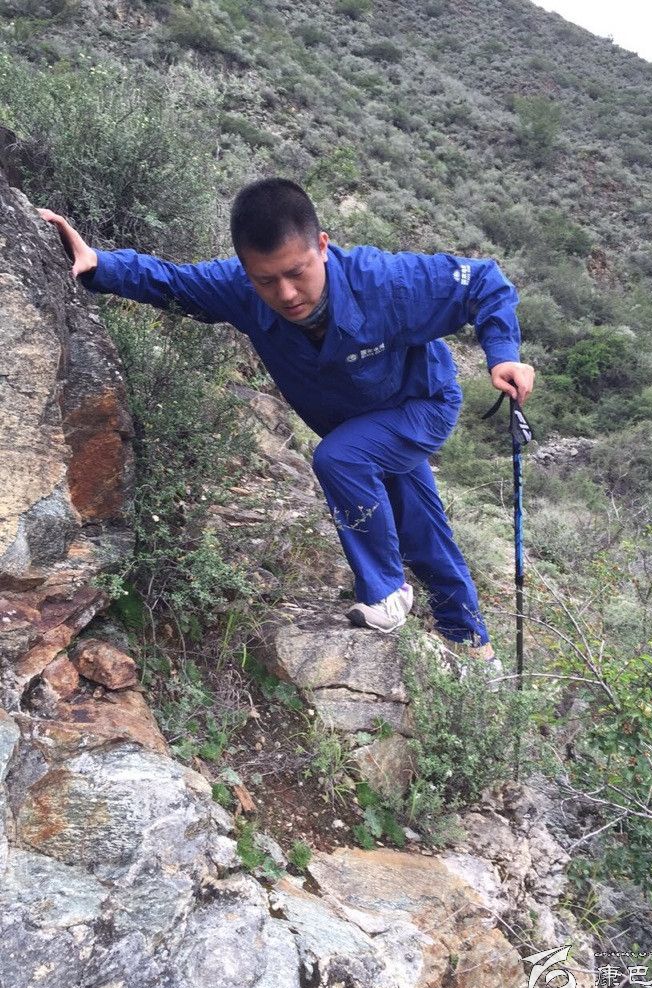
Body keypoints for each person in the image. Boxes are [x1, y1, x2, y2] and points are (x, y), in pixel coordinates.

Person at [38, 178, 534, 661]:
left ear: (323, 246)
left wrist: (503, 355)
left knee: (341, 459)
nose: (287, 293)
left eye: (297, 272)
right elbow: (173, 281)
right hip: (360, 424)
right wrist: (99, 263)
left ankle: (386, 593)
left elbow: (483, 282)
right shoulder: (240, 290)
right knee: (422, 525)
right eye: (266, 280)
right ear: (246, 270)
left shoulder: (385, 282)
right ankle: (473, 644)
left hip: (420, 405)